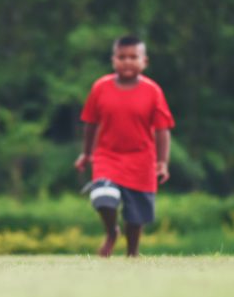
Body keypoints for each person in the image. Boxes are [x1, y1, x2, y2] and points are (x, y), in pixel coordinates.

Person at [74, 36, 175, 257]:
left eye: (133, 57)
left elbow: (162, 129)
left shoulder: (153, 91)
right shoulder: (100, 87)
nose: (127, 62)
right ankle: (112, 232)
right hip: (107, 157)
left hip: (141, 160)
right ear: (113, 60)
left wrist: (162, 163)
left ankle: (132, 254)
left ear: (144, 61)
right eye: (122, 57)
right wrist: (86, 153)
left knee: (136, 215)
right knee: (103, 196)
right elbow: (90, 123)